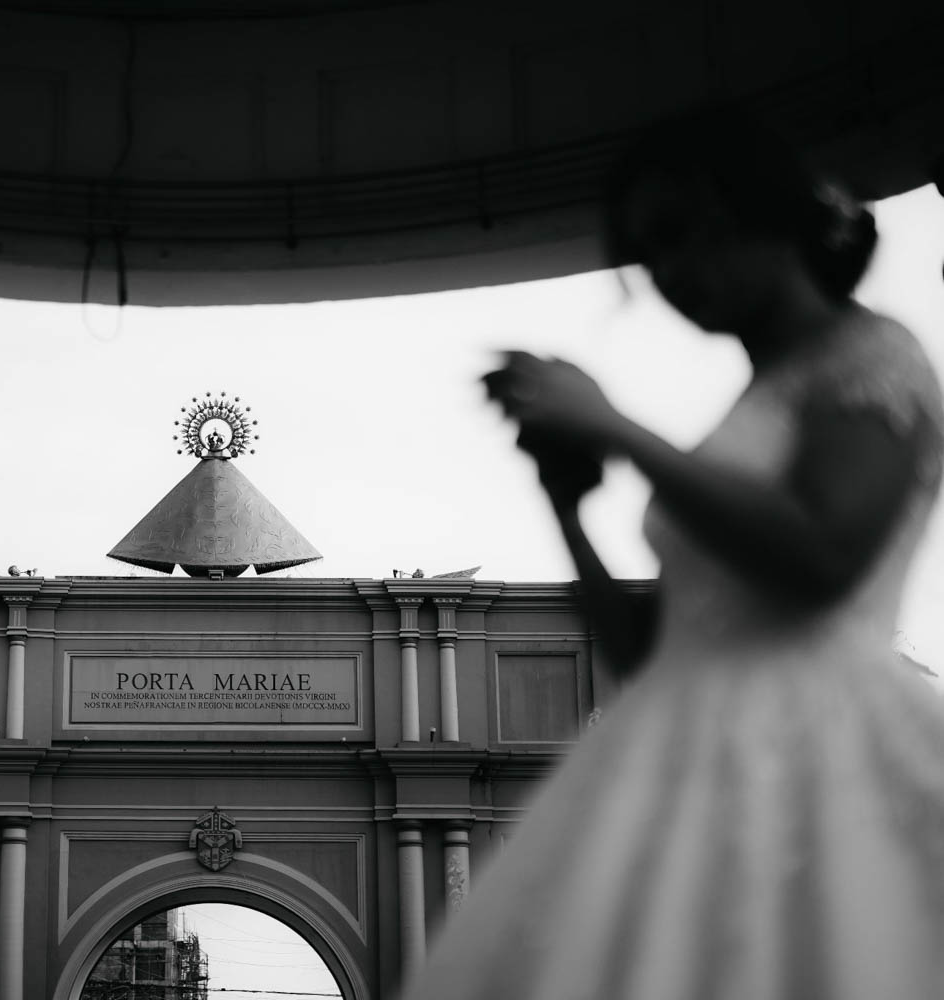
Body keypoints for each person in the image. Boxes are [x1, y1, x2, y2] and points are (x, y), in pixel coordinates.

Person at [404, 110, 944, 999]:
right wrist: (566, 501)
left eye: (681, 233)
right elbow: (642, 652)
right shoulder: (751, 405)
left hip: (815, 749)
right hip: (681, 751)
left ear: (763, 210)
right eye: (648, 253)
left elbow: (824, 558)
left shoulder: (876, 354)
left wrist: (615, 425)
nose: (669, 273)